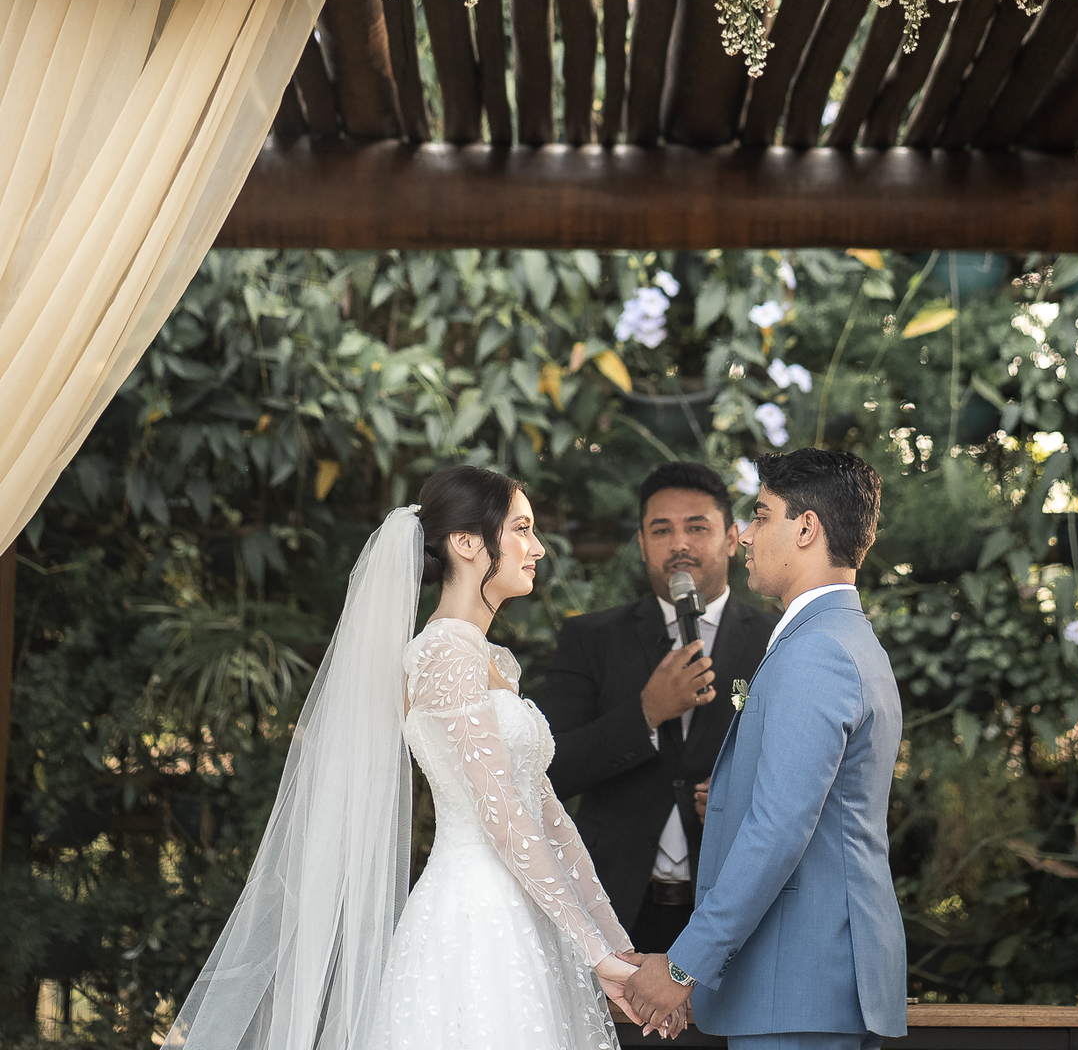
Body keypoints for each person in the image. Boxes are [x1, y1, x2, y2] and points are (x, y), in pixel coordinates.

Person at [165, 466, 683, 1050]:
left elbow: (548, 816)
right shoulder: (442, 655)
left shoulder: (491, 661)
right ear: (467, 543)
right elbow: (501, 816)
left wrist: (615, 948)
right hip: (475, 919)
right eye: (521, 529)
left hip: (526, 914)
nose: (536, 548)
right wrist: (593, 952)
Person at [623, 447, 908, 1050]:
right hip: (803, 987)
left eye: (761, 515)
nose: (746, 536)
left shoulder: (817, 653)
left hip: (799, 988)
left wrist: (682, 966)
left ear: (806, 529)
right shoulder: (845, 639)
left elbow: (777, 829)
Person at [541, 461, 776, 952]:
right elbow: (549, 771)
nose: (680, 544)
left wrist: (744, 800)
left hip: (732, 912)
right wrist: (645, 713)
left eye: (697, 527)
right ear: (643, 544)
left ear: (732, 538)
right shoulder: (591, 639)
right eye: (661, 530)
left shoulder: (778, 640)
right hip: (612, 910)